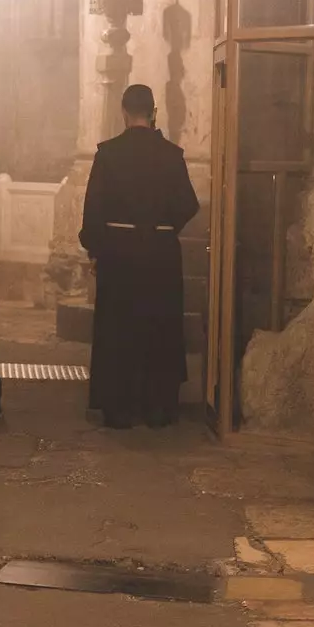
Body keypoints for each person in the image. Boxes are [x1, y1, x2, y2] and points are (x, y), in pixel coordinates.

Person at [79, 84, 200, 428]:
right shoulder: (171, 154)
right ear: (153, 111)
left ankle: (119, 407)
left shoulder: (108, 153)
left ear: (123, 111)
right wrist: (162, 226)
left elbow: (94, 208)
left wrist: (96, 248)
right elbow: (188, 204)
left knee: (119, 328)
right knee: (159, 326)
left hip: (118, 253)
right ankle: (158, 406)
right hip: (160, 253)